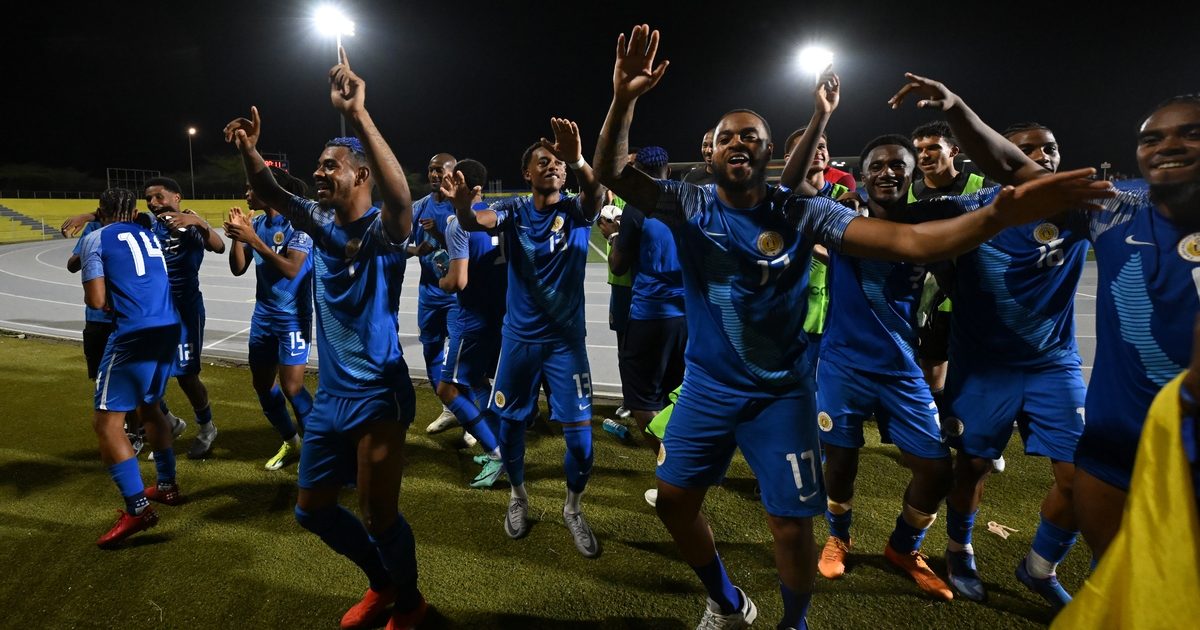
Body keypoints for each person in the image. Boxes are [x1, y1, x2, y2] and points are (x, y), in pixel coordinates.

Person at [593, 24, 1112, 629]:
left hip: (783, 393)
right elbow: (612, 172)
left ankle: (796, 621)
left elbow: (912, 240)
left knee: (790, 525)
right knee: (676, 504)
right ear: (708, 152)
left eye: (752, 136)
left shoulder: (803, 210)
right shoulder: (690, 202)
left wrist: (998, 212)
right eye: (727, 136)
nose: (739, 142)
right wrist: (624, 97)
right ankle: (726, 600)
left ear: (769, 154)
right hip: (708, 387)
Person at [224, 47, 426, 629]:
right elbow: (270, 190)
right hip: (332, 395)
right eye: (317, 164)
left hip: (378, 397)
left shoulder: (387, 232)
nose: (319, 171)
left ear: (360, 176)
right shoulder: (315, 223)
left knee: (377, 515)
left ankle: (410, 603)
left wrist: (359, 116)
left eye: (330, 165)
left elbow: (402, 200)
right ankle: (382, 583)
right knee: (312, 511)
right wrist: (249, 150)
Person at [444, 117, 607, 558]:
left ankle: (572, 507)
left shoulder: (575, 209)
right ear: (527, 174)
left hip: (566, 345)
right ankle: (519, 496)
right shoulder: (515, 210)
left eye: (558, 162)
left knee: (581, 442)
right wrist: (461, 207)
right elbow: (479, 221)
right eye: (543, 161)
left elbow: (596, 194)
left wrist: (578, 159)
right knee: (512, 429)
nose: (552, 166)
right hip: (517, 343)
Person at [62, 177, 225, 459]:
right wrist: (88, 215)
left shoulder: (192, 223)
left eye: (159, 197)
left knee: (186, 376)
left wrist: (197, 222)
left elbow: (219, 246)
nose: (153, 202)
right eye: (148, 198)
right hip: (151, 308)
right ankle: (168, 425)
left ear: (177, 197)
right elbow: (120, 214)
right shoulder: (147, 223)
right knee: (145, 379)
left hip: (185, 309)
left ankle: (206, 426)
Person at [79, 188, 181, 547]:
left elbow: (97, 300)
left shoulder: (95, 238)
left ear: (99, 211)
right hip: (169, 326)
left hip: (133, 332)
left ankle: (137, 510)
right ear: (135, 210)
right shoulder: (149, 234)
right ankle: (166, 485)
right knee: (150, 406)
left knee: (107, 422)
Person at [604, 145, 686, 508]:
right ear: (668, 167)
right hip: (687, 317)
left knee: (641, 401)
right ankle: (686, 462)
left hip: (651, 314)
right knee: (674, 394)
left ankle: (676, 470)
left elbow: (619, 265)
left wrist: (613, 235)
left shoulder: (638, 208)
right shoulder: (690, 201)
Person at [223, 166, 315, 471]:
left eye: (251, 188)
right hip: (262, 317)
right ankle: (291, 440)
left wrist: (254, 239)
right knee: (262, 385)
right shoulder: (258, 224)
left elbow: (292, 269)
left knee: (292, 388)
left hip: (293, 319)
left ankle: (319, 448)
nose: (246, 193)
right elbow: (238, 268)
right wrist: (239, 235)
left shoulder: (300, 226)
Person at [434, 158, 508, 488]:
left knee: (447, 388)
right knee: (478, 383)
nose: (447, 181)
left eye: (455, 178)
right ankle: (500, 443)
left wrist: (442, 279)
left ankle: (497, 452)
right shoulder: (499, 217)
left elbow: (458, 281)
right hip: (499, 316)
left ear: (471, 188)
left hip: (471, 317)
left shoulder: (458, 224)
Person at [411, 152, 462, 435]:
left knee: (458, 358)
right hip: (428, 294)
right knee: (431, 350)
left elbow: (473, 251)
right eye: (430, 170)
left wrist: (441, 237)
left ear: (452, 174)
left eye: (439, 170)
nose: (433, 175)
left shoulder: (461, 208)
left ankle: (468, 413)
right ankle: (449, 409)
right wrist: (416, 250)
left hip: (457, 297)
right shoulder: (419, 207)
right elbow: (401, 245)